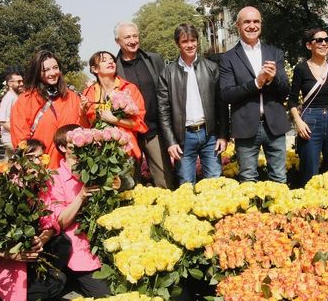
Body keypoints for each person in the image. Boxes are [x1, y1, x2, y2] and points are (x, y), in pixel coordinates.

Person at [0, 140, 65, 301]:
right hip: (6, 256)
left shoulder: (42, 184)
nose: (36, 162)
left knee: (62, 247)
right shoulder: (7, 190)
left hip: (29, 250)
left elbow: (50, 222)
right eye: (30, 157)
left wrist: (41, 240)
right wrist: (12, 254)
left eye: (39, 157)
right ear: (18, 162)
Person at [219, 6, 290, 183]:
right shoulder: (228, 58)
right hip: (245, 127)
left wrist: (273, 80)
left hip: (274, 125)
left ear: (261, 24)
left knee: (279, 178)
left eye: (256, 21)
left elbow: (285, 91)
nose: (252, 26)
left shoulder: (275, 53)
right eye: (247, 22)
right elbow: (227, 95)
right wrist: (256, 83)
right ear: (238, 25)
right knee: (248, 179)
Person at [44, 125, 112, 298]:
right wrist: (81, 196)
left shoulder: (96, 168)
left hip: (103, 238)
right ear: (62, 148)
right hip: (77, 243)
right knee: (105, 295)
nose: (80, 146)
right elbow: (59, 222)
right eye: (73, 143)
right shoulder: (55, 178)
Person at [157, 24, 229, 185]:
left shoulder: (211, 68)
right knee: (186, 185)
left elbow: (221, 105)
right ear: (177, 44)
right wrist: (171, 141)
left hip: (209, 134)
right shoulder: (167, 73)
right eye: (184, 41)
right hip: (183, 138)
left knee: (215, 183)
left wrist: (223, 135)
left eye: (193, 40)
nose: (190, 45)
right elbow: (163, 111)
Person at [113, 21, 176, 189]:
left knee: (165, 180)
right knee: (130, 183)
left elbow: (167, 91)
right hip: (129, 132)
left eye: (135, 36)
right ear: (117, 41)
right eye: (127, 37)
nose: (133, 40)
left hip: (154, 130)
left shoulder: (153, 60)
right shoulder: (114, 67)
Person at [288, 28, 328, 187]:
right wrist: (298, 121)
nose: (324, 43)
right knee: (309, 171)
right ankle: (309, 209)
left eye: (327, 40)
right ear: (309, 45)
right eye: (319, 40)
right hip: (310, 122)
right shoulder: (301, 68)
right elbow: (292, 101)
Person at [10, 50, 86, 170]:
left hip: (72, 168)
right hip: (43, 170)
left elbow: (82, 130)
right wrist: (34, 166)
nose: (52, 73)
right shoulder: (25, 100)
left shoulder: (72, 97)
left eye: (55, 68)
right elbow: (21, 139)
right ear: (37, 72)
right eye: (46, 70)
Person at [82, 50, 146, 166]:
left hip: (125, 149)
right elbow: (87, 124)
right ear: (94, 69)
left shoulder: (129, 89)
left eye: (112, 60)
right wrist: (84, 110)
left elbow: (139, 124)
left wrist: (114, 120)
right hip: (98, 152)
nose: (110, 62)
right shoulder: (89, 92)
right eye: (104, 60)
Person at [0, 69, 24, 158]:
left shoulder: (15, 97)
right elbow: (2, 120)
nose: (21, 84)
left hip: (14, 137)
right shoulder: (9, 98)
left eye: (22, 81)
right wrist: (19, 132)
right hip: (11, 139)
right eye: (19, 81)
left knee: (10, 165)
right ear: (10, 83)